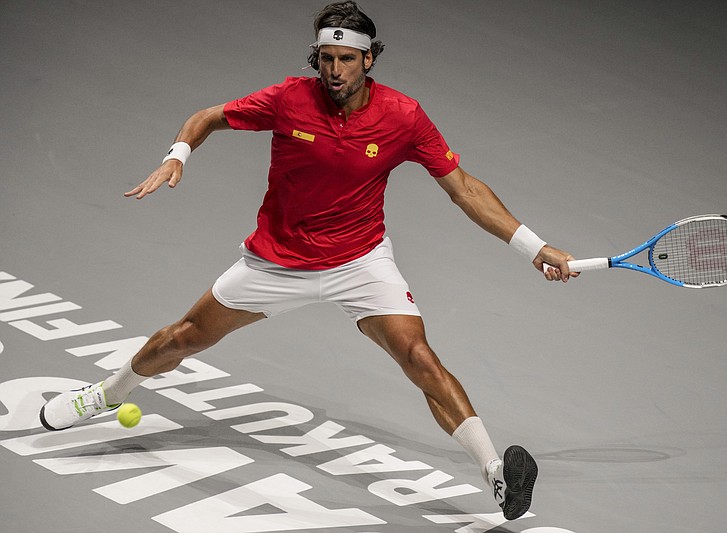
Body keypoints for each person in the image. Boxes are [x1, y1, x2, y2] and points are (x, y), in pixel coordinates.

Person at [39, 1, 577, 521]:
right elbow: (207, 117)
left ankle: (494, 474)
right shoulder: (288, 99)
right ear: (315, 58)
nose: (334, 70)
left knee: (420, 357)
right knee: (183, 338)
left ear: (369, 60)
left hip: (360, 264)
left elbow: (464, 189)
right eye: (325, 58)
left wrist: (534, 247)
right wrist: (177, 155)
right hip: (274, 264)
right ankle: (107, 394)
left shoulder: (403, 117)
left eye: (347, 59)